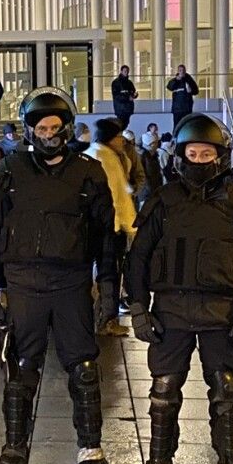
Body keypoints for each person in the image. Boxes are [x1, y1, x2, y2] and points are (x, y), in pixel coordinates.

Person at [0, 90, 118, 464]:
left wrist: (109, 287)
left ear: (67, 129)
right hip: (24, 285)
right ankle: (14, 452)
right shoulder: (11, 169)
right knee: (21, 370)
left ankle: (90, 453)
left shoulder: (88, 172)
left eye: (55, 128)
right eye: (41, 128)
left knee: (84, 370)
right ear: (29, 131)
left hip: (72, 283)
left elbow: (106, 238)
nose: (49, 135)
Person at [126, 113, 233, 464]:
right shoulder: (164, 201)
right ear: (181, 155)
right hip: (171, 311)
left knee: (228, 390)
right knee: (164, 389)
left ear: (219, 157)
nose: (200, 160)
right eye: (193, 152)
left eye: (207, 153)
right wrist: (138, 307)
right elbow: (138, 258)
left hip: (222, 312)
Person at [89, 117, 137, 335]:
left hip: (95, 224)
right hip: (110, 225)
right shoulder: (106, 158)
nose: (121, 140)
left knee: (98, 272)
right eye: (118, 136)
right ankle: (107, 320)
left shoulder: (95, 153)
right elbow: (117, 195)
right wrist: (130, 225)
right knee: (109, 273)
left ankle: (98, 317)